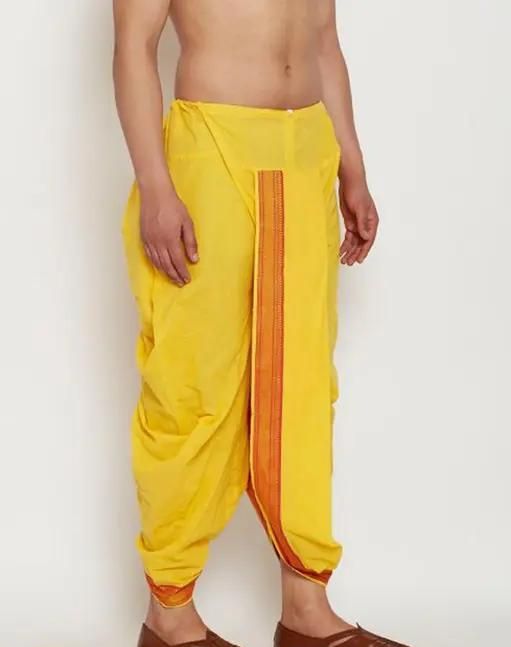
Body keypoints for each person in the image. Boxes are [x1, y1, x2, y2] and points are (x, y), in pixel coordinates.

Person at [114, 2, 407, 646]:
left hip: (307, 151)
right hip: (209, 149)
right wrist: (155, 185)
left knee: (301, 385)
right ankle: (170, 616)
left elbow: (323, 41)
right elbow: (135, 45)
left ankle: (306, 611)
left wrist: (352, 166)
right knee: (194, 383)